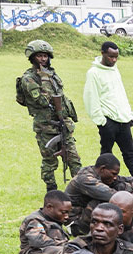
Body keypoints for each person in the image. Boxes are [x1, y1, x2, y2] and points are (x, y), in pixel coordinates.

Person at [14, 39, 82, 192]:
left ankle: (80, 188)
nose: (43, 59)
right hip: (45, 126)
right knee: (49, 160)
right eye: (39, 56)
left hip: (62, 123)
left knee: (73, 158)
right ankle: (51, 191)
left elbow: (60, 96)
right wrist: (44, 78)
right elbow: (42, 100)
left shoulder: (52, 74)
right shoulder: (29, 78)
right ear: (32, 58)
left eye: (45, 56)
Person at [83, 41, 133, 180]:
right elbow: (91, 98)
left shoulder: (115, 69)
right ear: (102, 53)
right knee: (106, 154)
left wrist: (129, 114)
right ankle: (101, 180)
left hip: (124, 119)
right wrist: (101, 121)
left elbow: (120, 93)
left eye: (116, 57)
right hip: (108, 121)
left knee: (129, 152)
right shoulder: (93, 73)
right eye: (111, 57)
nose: (114, 60)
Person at [64, 154, 133, 235]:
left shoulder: (99, 172)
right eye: (113, 174)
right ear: (103, 169)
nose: (115, 177)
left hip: (86, 216)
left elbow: (131, 180)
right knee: (104, 203)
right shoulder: (85, 179)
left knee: (123, 186)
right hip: (76, 224)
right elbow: (115, 197)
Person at [19, 190, 74, 254]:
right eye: (63, 212)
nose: (67, 216)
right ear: (49, 207)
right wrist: (66, 245)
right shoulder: (35, 220)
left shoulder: (53, 219)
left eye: (68, 212)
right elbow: (37, 241)